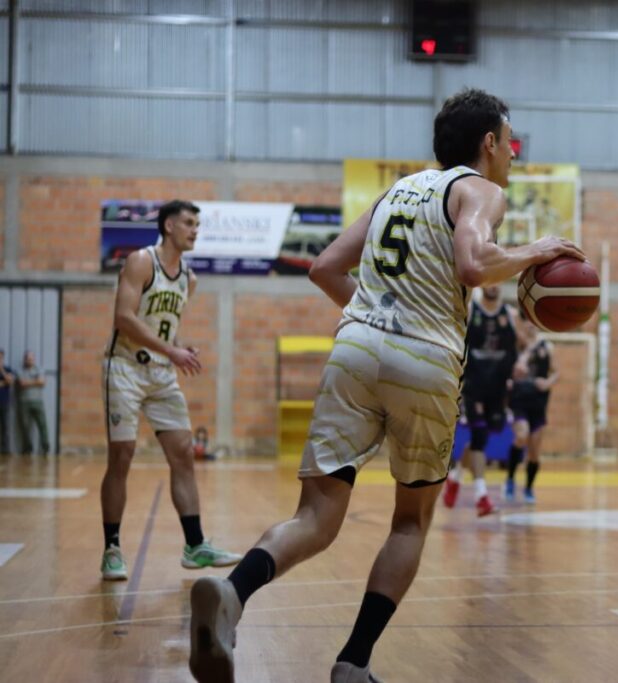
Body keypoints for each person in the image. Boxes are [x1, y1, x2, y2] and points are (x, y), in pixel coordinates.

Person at [187, 88, 584, 683]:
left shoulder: (397, 191)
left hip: (355, 348)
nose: (513, 155)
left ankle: (234, 592)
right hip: (426, 361)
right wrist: (536, 252)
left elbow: (324, 268)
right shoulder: (482, 190)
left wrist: (376, 319)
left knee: (317, 516)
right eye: (511, 141)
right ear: (490, 143)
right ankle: (354, 662)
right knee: (409, 522)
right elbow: (474, 265)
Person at [100, 200, 241, 582]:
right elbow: (124, 319)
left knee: (183, 454)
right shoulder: (141, 262)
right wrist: (172, 350)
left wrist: (179, 347)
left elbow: (162, 325)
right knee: (122, 456)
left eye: (198, 224)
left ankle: (194, 546)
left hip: (161, 373)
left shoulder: (189, 279)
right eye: (188, 223)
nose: (195, 230)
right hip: (125, 368)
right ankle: (112, 547)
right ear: (167, 226)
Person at [442, 284, 519, 517]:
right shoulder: (470, 310)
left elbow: (522, 345)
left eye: (498, 282)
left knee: (480, 440)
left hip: (498, 388)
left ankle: (455, 478)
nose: (494, 285)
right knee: (480, 435)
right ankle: (481, 497)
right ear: (482, 284)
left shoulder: (511, 315)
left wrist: (521, 365)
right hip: (473, 386)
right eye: (489, 281)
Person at [505, 318, 558, 503]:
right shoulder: (516, 347)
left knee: (534, 451)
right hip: (519, 400)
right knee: (522, 436)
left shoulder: (547, 347)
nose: (530, 325)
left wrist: (548, 382)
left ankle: (528, 488)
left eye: (534, 321)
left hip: (538, 402)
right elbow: (507, 369)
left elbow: (555, 372)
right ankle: (510, 479)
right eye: (527, 321)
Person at [17, 350, 49, 455]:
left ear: (34, 359)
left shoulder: (39, 369)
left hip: (38, 402)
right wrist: (35, 381)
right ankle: (28, 448)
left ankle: (45, 447)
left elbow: (42, 382)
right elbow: (22, 383)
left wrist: (29, 382)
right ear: (25, 360)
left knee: (42, 425)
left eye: (31, 359)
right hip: (24, 403)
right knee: (25, 426)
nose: (29, 361)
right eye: (28, 359)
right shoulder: (20, 370)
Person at [0, 350, 15, 454]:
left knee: (5, 427)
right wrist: (3, 383)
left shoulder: (7, 369)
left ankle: (5, 450)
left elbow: (9, 381)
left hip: (4, 402)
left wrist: (1, 370)